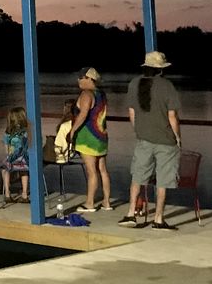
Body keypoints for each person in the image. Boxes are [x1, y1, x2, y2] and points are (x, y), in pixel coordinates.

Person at [120, 51, 183, 230]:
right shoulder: (167, 86)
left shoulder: (134, 84)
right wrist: (178, 137)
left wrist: (138, 130)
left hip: (143, 138)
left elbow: (131, 112)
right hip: (165, 140)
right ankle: (158, 218)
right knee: (163, 180)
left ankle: (131, 214)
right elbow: (172, 116)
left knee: (138, 176)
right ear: (161, 69)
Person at [67, 67, 112, 211]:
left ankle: (90, 203)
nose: (78, 80)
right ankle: (106, 202)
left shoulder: (86, 94)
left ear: (89, 79)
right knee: (103, 170)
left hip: (88, 138)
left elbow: (84, 114)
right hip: (101, 136)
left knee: (91, 171)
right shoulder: (101, 94)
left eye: (81, 77)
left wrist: (72, 130)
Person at [0, 106, 31, 203]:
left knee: (4, 169)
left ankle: (7, 193)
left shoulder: (7, 134)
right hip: (25, 161)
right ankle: (25, 194)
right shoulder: (27, 132)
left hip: (13, 161)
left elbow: (7, 151)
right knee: (24, 171)